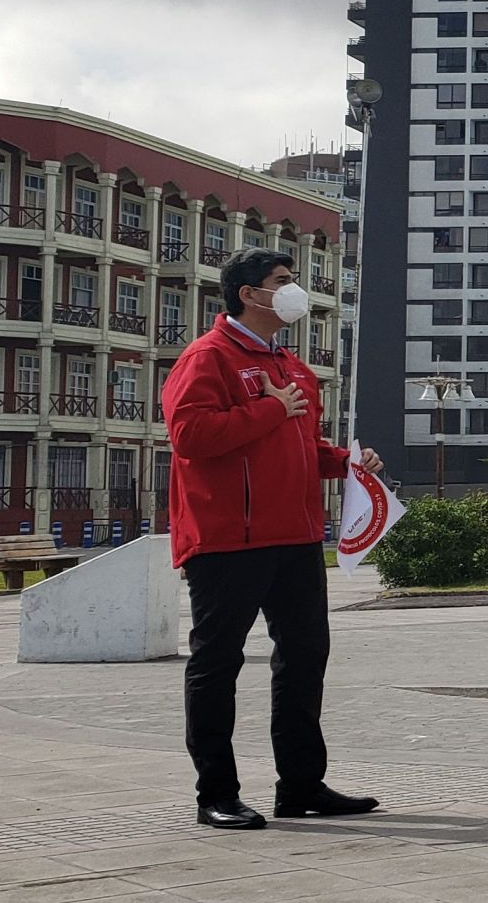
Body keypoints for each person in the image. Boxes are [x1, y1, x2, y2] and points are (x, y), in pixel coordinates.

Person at [163, 247, 385, 831]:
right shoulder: (207, 357)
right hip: (227, 540)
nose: (294, 291)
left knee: (305, 658)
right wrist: (267, 409)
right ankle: (216, 793)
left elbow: (299, 448)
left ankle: (302, 785)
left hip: (296, 537)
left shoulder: (292, 367)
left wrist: (346, 462)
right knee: (217, 664)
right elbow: (189, 435)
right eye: (282, 281)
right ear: (248, 294)